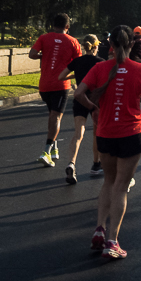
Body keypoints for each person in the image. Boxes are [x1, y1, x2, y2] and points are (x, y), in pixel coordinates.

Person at [73, 25, 141, 260]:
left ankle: (99, 228)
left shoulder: (99, 68)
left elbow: (78, 94)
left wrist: (95, 108)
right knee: (122, 186)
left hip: (105, 132)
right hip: (131, 133)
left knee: (108, 182)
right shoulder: (139, 69)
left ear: (109, 45)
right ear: (132, 45)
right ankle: (112, 241)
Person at [29, 13, 83, 167]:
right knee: (56, 117)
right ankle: (46, 151)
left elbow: (32, 54)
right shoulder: (73, 41)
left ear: (53, 25)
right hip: (61, 84)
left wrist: (44, 56)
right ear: (67, 26)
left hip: (44, 85)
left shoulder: (44, 38)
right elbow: (78, 63)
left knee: (52, 116)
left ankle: (54, 149)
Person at [59, 34, 104, 183]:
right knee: (96, 133)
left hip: (80, 98)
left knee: (78, 133)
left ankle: (71, 163)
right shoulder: (100, 63)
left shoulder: (76, 62)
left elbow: (60, 77)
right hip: (95, 100)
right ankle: (96, 164)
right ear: (96, 46)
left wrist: (75, 77)